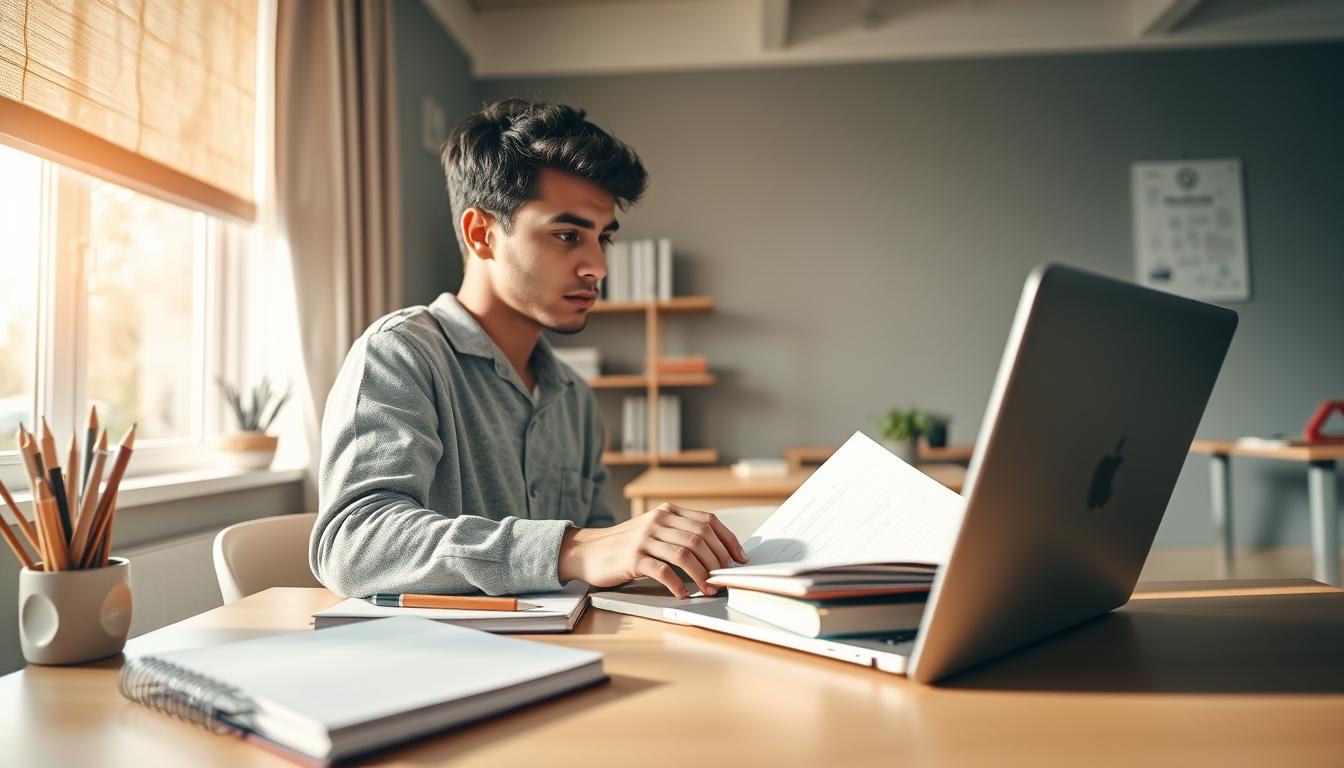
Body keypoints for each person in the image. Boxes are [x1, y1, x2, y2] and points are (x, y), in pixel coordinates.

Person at [310, 99, 748, 600]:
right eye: (567, 235)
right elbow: (353, 544)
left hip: (564, 660)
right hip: (432, 664)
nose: (598, 267)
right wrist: (572, 549)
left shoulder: (574, 398)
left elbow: (593, 570)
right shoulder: (399, 355)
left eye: (603, 238)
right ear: (482, 235)